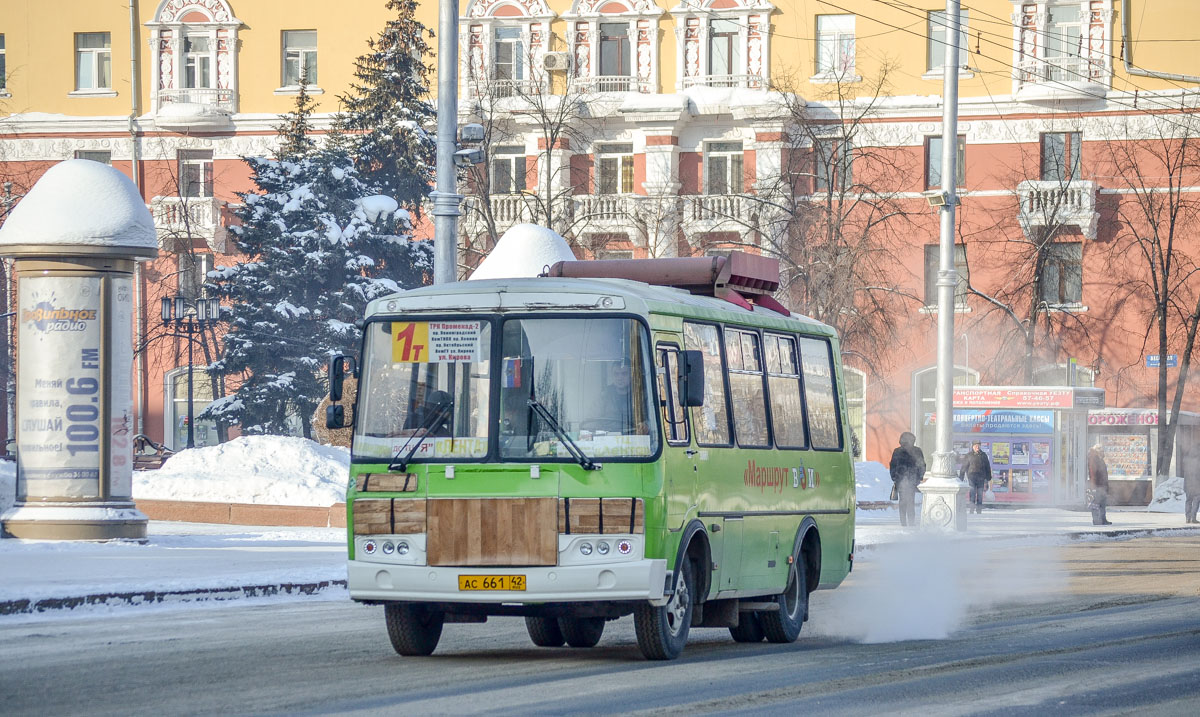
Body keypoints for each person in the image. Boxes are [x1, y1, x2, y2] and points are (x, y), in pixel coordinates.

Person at [890, 432, 926, 527]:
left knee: (905, 502)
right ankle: (908, 522)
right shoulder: (915, 451)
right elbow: (922, 465)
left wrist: (894, 477)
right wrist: (919, 477)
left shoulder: (898, 451)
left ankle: (906, 522)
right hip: (907, 479)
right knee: (909, 501)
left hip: (904, 479)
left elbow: (893, 465)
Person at [959, 441, 993, 514]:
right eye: (976, 446)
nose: (977, 447)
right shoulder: (969, 455)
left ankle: (979, 510)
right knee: (972, 494)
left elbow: (987, 466)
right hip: (972, 477)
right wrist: (960, 478)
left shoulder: (983, 455)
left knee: (980, 495)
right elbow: (964, 467)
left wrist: (988, 477)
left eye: (978, 445)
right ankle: (971, 510)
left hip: (981, 478)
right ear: (973, 446)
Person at [1086, 442, 1112, 526]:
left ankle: (1102, 519)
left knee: (1102, 503)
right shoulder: (1094, 458)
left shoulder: (1099, 458)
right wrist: (1093, 486)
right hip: (1098, 485)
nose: (1103, 453)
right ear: (1098, 450)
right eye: (1102, 451)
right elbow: (1093, 473)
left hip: (1102, 485)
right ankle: (1097, 520)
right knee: (1096, 503)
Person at [1184, 445, 1200, 524]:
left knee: (1188, 501)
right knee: (1196, 501)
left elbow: (1185, 476)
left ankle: (1187, 518)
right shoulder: (1198, 462)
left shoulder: (1186, 462)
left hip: (1188, 486)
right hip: (1197, 486)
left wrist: (1185, 487)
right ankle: (1193, 517)